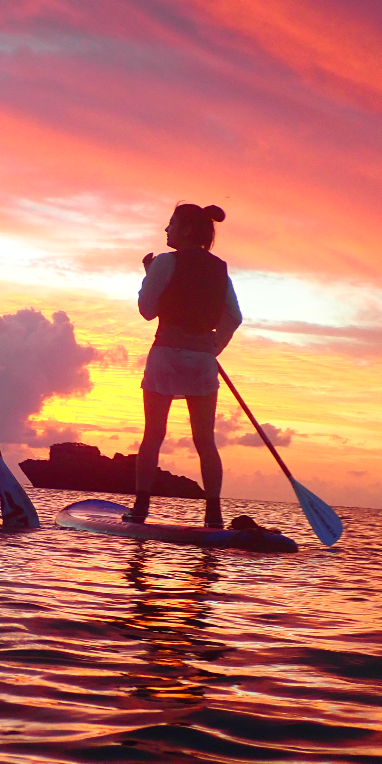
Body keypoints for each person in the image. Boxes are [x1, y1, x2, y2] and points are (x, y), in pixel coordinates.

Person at [124, 203, 242, 528]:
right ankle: (213, 514)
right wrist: (211, 349)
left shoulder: (165, 262)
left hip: (166, 355)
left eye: (171, 223)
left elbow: (147, 310)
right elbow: (234, 317)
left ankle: (140, 508)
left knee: (153, 435)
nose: (166, 229)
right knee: (205, 440)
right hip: (202, 361)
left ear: (186, 230)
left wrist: (151, 278)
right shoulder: (220, 268)